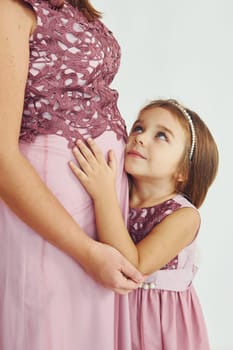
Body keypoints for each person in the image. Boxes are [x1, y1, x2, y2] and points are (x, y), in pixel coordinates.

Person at [0, 1, 144, 349]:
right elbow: (1, 154)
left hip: (101, 214)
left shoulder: (76, 7)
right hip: (53, 223)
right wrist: (87, 252)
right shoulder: (11, 8)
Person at [69, 98, 219, 350]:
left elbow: (134, 266)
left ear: (183, 170)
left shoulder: (183, 216)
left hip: (160, 326)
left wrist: (103, 194)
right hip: (115, 313)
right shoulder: (120, 198)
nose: (140, 138)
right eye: (138, 128)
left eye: (161, 136)